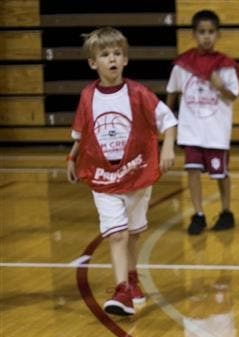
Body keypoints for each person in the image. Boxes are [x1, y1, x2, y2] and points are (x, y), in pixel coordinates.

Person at [66, 26, 177, 317]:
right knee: (117, 235)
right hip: (103, 177)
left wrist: (167, 148)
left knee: (134, 233)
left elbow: (168, 120)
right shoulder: (88, 96)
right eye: (105, 54)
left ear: (125, 59)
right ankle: (121, 290)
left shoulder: (138, 93)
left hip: (136, 173)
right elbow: (81, 134)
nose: (112, 59)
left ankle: (131, 277)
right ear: (93, 63)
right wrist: (71, 158)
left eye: (117, 53)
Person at [166, 9, 239, 235]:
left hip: (216, 131)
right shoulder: (182, 65)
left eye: (210, 32)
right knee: (192, 171)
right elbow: (172, 93)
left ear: (218, 34)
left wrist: (220, 86)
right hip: (191, 130)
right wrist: (165, 120)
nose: (206, 36)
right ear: (194, 34)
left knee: (221, 174)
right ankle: (198, 214)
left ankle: (227, 211)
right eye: (201, 32)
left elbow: (233, 96)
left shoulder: (226, 66)